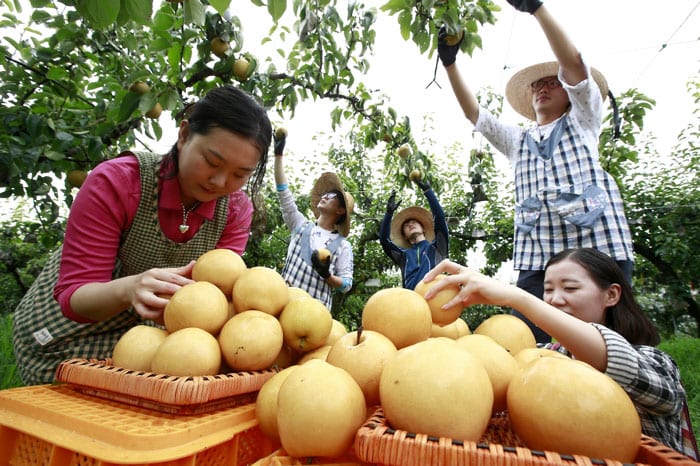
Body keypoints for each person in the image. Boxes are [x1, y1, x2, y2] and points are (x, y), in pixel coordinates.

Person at [12, 85, 272, 385]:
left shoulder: (236, 211)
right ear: (184, 135)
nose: (219, 181)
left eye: (240, 174)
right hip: (62, 334)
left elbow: (215, 297)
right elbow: (74, 296)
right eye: (212, 162)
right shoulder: (117, 182)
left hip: (143, 341)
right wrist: (130, 287)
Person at [436, 0, 634, 344]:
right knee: (531, 343)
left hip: (596, 244)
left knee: (610, 341)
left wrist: (537, 8)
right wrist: (450, 64)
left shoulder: (583, 120)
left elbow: (573, 65)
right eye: (536, 86)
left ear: (569, 94)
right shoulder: (517, 140)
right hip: (539, 254)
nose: (542, 88)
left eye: (551, 83)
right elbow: (476, 116)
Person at [421, 249, 699, 460]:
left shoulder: (657, 362)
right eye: (548, 290)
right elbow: (487, 364)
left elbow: (623, 364)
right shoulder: (545, 357)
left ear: (611, 295)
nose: (554, 299)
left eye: (570, 288)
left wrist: (516, 297)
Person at [273, 129, 354, 310]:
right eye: (326, 193)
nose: (325, 196)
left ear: (340, 210)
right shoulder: (300, 226)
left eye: (332, 196)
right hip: (283, 305)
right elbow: (283, 192)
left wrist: (326, 275)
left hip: (313, 316)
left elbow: (346, 285)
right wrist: (278, 155)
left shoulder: (342, 245)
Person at [379, 179, 449, 289]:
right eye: (406, 225)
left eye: (414, 222)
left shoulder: (437, 248)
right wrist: (388, 213)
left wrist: (428, 191)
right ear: (404, 236)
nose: (410, 224)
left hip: (435, 297)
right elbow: (384, 241)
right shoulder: (403, 255)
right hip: (412, 302)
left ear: (424, 229)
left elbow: (440, 219)